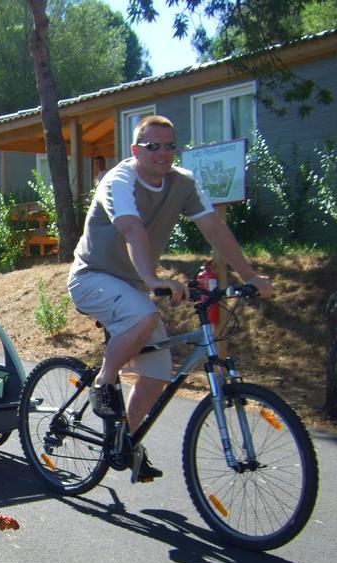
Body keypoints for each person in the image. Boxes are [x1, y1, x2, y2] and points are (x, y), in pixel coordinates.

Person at [68, 114, 273, 482]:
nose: (163, 153)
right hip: (92, 277)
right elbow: (132, 230)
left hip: (133, 286)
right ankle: (105, 380)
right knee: (145, 314)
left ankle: (122, 442)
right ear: (135, 150)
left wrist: (250, 276)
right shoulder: (119, 180)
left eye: (169, 145)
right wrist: (151, 278)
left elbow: (214, 227)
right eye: (153, 146)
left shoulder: (183, 183)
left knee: (156, 375)